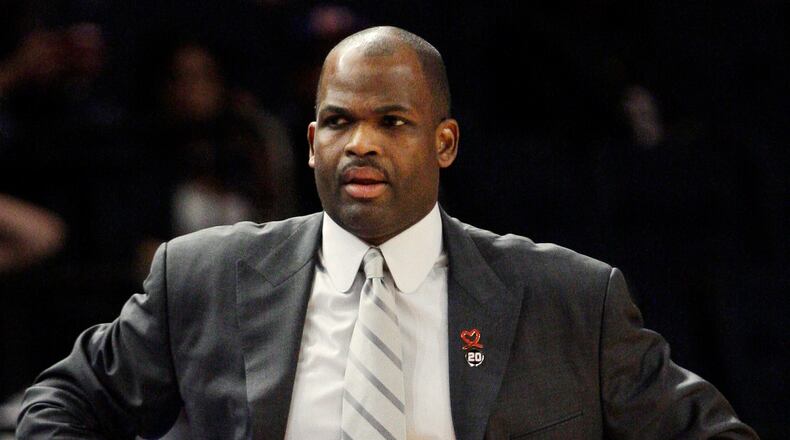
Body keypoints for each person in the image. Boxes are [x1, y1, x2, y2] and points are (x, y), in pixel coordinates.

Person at [17, 26, 758, 440]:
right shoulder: (208, 276)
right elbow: (62, 405)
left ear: (444, 143)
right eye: (339, 122)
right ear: (310, 142)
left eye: (392, 122)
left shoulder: (566, 296)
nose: (360, 144)